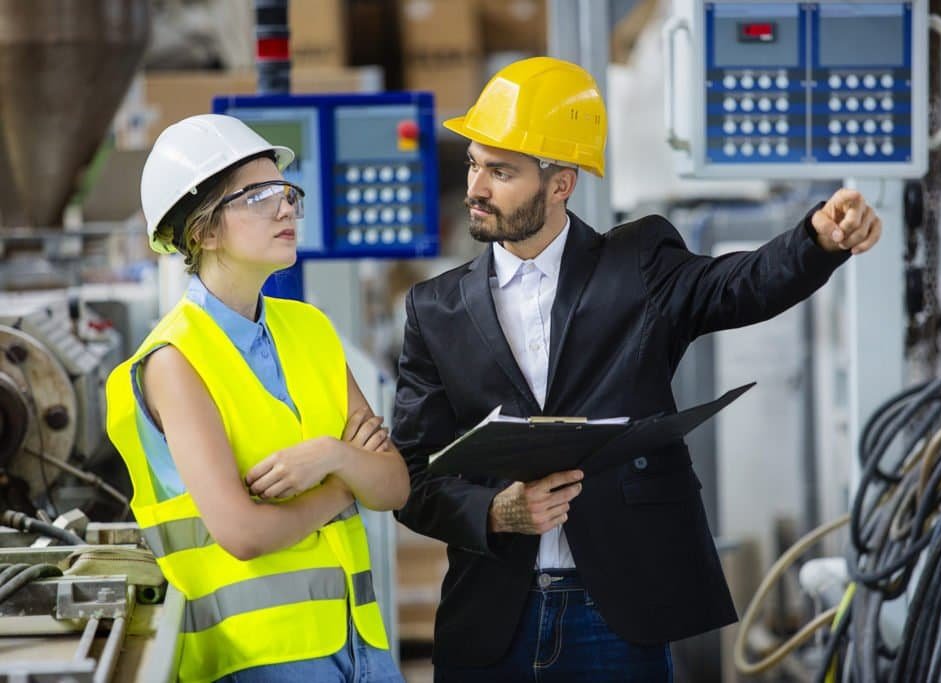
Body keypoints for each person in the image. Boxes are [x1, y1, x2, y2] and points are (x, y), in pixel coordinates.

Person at [391, 57, 882, 681]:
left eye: (501, 171)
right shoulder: (435, 309)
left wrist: (816, 240)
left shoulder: (638, 263)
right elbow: (411, 475)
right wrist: (493, 511)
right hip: (491, 619)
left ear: (561, 184)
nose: (476, 188)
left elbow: (739, 285)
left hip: (615, 613)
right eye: (473, 164)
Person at [105, 114, 409, 683]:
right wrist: (345, 483)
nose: (286, 209)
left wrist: (330, 456)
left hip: (363, 648)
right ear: (203, 231)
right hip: (257, 661)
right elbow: (243, 534)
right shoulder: (175, 361)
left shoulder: (311, 330)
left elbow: (393, 486)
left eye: (287, 194)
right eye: (259, 197)